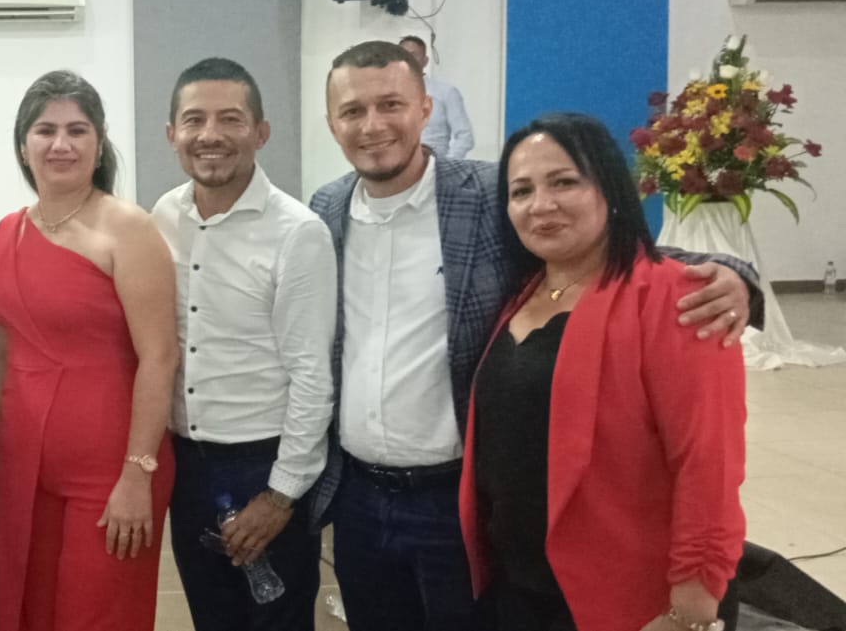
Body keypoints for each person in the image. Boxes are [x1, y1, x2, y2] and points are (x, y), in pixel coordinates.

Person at [307, 40, 759, 631]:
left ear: (425, 108)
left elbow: (611, 252)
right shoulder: (326, 208)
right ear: (332, 124)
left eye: (390, 104)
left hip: (455, 499)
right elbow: (565, 265)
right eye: (353, 111)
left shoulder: (485, 193)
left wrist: (735, 276)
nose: (373, 125)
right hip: (364, 498)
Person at [462, 113, 745, 631]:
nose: (541, 204)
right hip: (520, 588)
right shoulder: (522, 293)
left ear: (609, 189)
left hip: (627, 600)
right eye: (521, 191)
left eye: (563, 182)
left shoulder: (676, 298)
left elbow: (709, 464)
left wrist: (690, 610)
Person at [0, 70, 177, 631]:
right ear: (24, 145)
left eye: (77, 130)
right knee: (30, 610)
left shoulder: (129, 229)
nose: (60, 144)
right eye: (45, 130)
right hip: (23, 462)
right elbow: (0, 352)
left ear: (99, 142)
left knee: (99, 614)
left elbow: (160, 356)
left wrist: (138, 473)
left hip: (111, 466)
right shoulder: (7, 233)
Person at [150, 58, 337, 631]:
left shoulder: (297, 233)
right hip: (188, 466)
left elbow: (312, 375)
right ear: (172, 134)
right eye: (194, 120)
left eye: (230, 119)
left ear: (261, 131)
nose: (210, 134)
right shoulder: (163, 216)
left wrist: (280, 496)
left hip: (263, 464)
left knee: (277, 620)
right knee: (212, 618)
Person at [400, 35, 474, 160]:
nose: (407, 60)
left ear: (425, 61)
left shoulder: (445, 92)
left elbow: (465, 136)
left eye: (413, 55)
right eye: (402, 55)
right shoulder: (387, 95)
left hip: (435, 164)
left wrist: (446, 165)